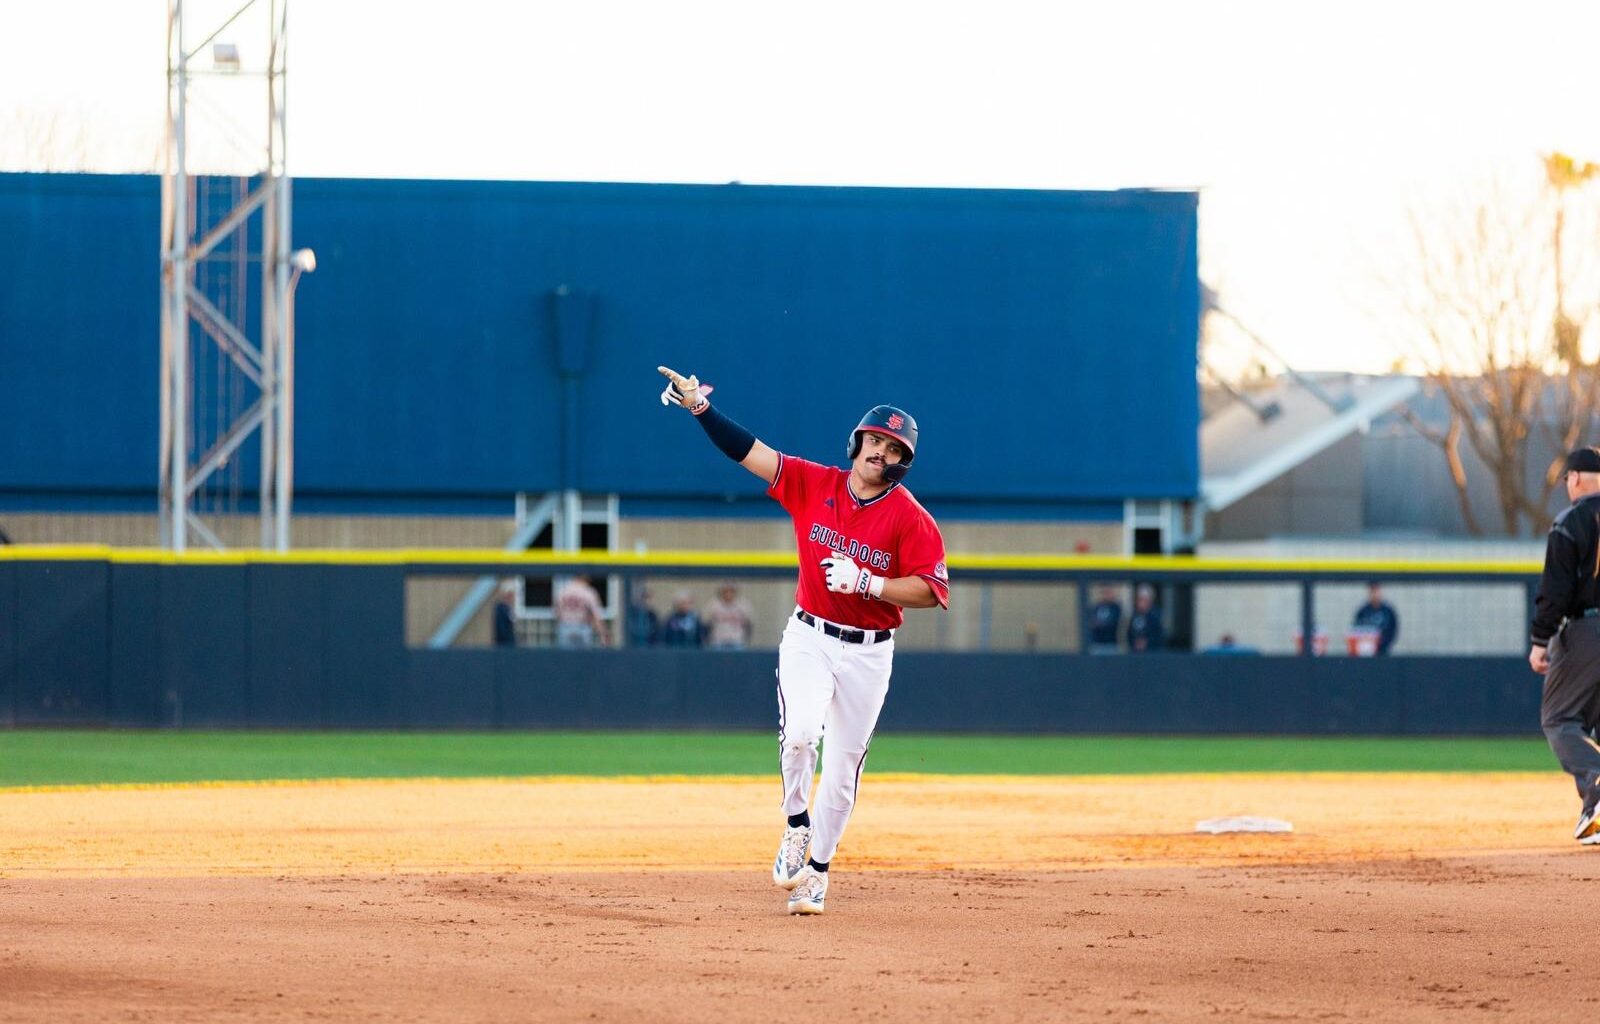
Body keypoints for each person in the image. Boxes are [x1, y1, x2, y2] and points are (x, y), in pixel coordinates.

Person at [658, 365, 949, 915]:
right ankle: (796, 825)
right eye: (875, 440)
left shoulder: (912, 520)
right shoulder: (815, 484)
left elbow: (931, 590)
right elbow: (752, 453)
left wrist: (870, 582)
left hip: (869, 651)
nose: (880, 452)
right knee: (800, 738)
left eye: (892, 448)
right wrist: (699, 407)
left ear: (901, 462)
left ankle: (818, 871)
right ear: (858, 441)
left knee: (841, 774)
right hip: (811, 635)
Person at [1530, 446, 1600, 847]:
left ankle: (1597, 784)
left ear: (1574, 479)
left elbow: (1555, 589)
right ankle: (1594, 812)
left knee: (1559, 718)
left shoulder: (1572, 520)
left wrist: (1541, 639)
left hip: (1586, 630)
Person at [553, 574, 609, 648]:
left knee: (564, 657)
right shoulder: (588, 592)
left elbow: (557, 612)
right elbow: (596, 615)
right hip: (582, 626)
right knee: (584, 657)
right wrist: (603, 634)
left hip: (565, 626)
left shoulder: (562, 590)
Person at [703, 582, 754, 649]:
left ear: (735, 592)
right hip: (718, 641)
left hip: (737, 641)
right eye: (725, 591)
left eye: (731, 591)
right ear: (721, 592)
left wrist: (745, 639)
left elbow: (749, 625)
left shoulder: (743, 604)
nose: (728, 594)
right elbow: (705, 624)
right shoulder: (713, 605)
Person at [1352, 582, 1399, 655]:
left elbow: (1393, 630)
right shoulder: (1363, 611)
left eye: (1376, 590)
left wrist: (1383, 643)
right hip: (1366, 651)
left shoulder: (1388, 611)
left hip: (1383, 651)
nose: (1374, 594)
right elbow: (1356, 630)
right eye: (1372, 591)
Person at [1126, 585, 1165, 652]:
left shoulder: (1156, 616)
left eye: (1144, 599)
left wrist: (1147, 642)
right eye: (1139, 599)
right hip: (1135, 653)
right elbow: (1129, 633)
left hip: (1152, 653)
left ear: (1150, 600)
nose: (1141, 602)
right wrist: (1134, 642)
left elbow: (1160, 636)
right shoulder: (1133, 615)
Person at [1084, 585, 1122, 654]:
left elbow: (1112, 623)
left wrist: (1101, 623)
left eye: (1108, 592)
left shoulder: (1115, 607)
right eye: (1104, 592)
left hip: (1111, 644)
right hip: (1097, 644)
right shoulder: (1097, 607)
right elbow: (1091, 621)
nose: (1106, 594)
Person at [492, 582, 518, 648]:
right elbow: (502, 630)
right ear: (508, 595)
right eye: (512, 595)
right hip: (504, 645)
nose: (514, 597)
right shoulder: (501, 608)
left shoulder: (508, 608)